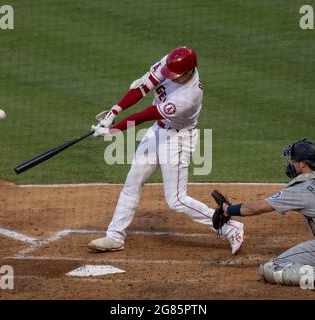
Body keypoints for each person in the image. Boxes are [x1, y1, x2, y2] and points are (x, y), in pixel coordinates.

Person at [87, 47, 244, 254]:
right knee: (132, 182)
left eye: (176, 76)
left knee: (176, 200)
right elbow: (142, 87)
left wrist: (114, 130)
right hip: (157, 132)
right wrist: (113, 112)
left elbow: (148, 113)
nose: (171, 78)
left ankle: (230, 227)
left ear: (190, 71)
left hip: (178, 139)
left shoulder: (189, 95)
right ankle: (115, 236)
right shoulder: (171, 63)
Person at [213, 139, 315, 290]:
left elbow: (255, 208)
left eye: (293, 161)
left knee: (271, 267)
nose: (291, 164)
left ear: (303, 164)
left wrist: (227, 209)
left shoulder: (301, 188)